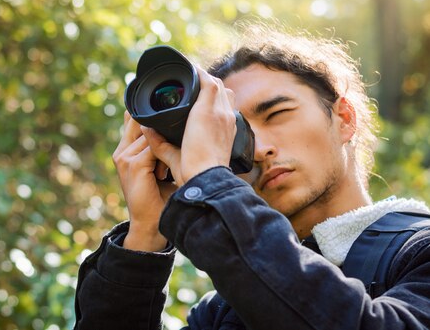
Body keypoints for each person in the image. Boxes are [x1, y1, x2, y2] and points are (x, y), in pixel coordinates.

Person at [73, 23, 430, 329]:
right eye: (235, 133)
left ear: (345, 118)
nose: (258, 150)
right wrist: (146, 235)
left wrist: (208, 184)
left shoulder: (419, 252)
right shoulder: (222, 314)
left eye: (276, 114)